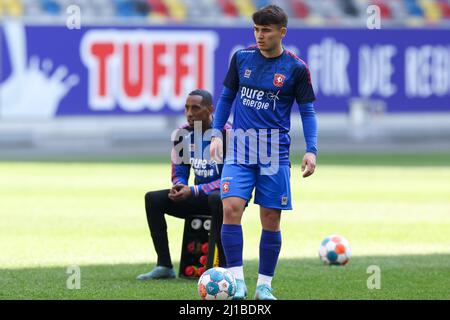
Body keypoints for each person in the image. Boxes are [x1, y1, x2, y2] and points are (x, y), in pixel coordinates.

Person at [209, 5, 318, 300]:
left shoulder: (296, 68)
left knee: (270, 218)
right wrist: (216, 133)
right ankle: (236, 282)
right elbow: (226, 97)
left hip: (275, 154)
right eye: (256, 29)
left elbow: (307, 112)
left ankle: (264, 285)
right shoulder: (241, 58)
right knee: (230, 208)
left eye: (266, 30)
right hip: (240, 150)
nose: (259, 35)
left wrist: (311, 150)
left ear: (282, 32)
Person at [137, 89, 228, 280]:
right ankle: (164, 266)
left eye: (195, 107)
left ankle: (225, 269)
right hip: (198, 196)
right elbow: (179, 170)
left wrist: (193, 190)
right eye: (186, 107)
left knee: (216, 198)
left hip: (227, 198)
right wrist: (179, 185)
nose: (189, 113)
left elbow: (229, 179)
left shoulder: (227, 134)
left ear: (210, 109)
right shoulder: (183, 134)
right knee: (153, 199)